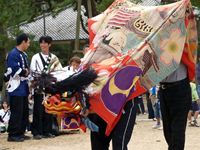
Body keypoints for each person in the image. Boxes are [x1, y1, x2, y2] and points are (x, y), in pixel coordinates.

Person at [30, 35, 62, 139]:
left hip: (49, 87)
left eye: (45, 43)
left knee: (49, 109)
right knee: (38, 109)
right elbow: (33, 70)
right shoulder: (35, 57)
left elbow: (59, 70)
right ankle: (37, 132)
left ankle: (47, 130)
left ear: (49, 44)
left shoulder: (54, 58)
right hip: (39, 86)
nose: (43, 45)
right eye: (41, 42)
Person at [159, 63, 192, 150]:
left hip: (179, 87)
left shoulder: (181, 49)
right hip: (163, 89)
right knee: (167, 130)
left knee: (177, 130)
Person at [6, 33, 30, 142]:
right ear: (23, 42)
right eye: (28, 42)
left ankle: (20, 132)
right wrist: (24, 72)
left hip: (23, 86)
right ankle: (13, 134)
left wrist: (26, 72)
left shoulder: (24, 54)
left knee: (24, 111)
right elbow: (14, 68)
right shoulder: (13, 54)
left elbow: (26, 69)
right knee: (16, 111)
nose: (28, 44)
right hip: (16, 87)